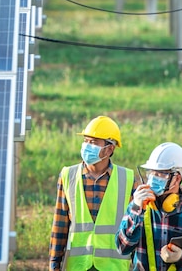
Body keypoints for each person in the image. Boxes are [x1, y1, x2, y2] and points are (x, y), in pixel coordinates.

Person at [115, 142, 182, 271]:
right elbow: (122, 248)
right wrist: (136, 209)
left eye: (160, 174)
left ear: (178, 178)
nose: (153, 178)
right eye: (151, 173)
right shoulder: (138, 208)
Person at [49, 115, 135, 270]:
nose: (87, 146)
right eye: (86, 141)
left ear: (110, 148)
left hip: (114, 266)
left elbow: (136, 227)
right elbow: (60, 225)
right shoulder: (68, 176)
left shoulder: (128, 179)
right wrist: (54, 264)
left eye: (94, 142)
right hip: (78, 266)